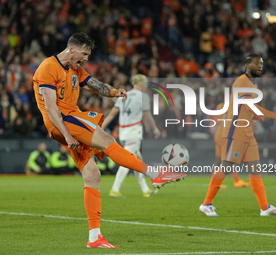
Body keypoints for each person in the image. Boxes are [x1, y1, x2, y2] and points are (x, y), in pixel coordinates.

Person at [32, 32, 186, 249]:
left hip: (69, 120)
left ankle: (94, 236)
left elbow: (94, 84)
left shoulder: (75, 68)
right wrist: (67, 134)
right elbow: (49, 106)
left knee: (92, 175)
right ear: (72, 49)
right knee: (107, 139)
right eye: (84, 54)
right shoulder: (48, 67)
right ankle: (155, 174)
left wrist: (114, 92)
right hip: (63, 120)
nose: (86, 59)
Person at [199, 54, 276, 217]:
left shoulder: (253, 85)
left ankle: (264, 207)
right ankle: (206, 204)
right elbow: (250, 107)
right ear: (247, 65)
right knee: (226, 165)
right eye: (256, 63)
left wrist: (260, 117)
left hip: (248, 133)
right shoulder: (242, 81)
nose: (259, 66)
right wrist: (273, 115)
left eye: (261, 63)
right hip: (236, 131)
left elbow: (249, 110)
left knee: (255, 169)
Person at [102, 74, 161, 198]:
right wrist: (155, 129)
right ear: (140, 83)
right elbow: (148, 116)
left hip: (123, 133)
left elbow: (112, 114)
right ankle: (114, 189)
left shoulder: (124, 95)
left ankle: (145, 190)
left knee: (137, 161)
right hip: (134, 132)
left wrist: (101, 127)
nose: (146, 85)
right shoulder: (143, 97)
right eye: (145, 82)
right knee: (127, 161)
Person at [214, 102, 249, 189]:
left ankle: (215, 182)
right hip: (223, 136)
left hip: (219, 135)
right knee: (229, 159)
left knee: (219, 160)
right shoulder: (228, 108)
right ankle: (236, 181)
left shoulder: (220, 106)